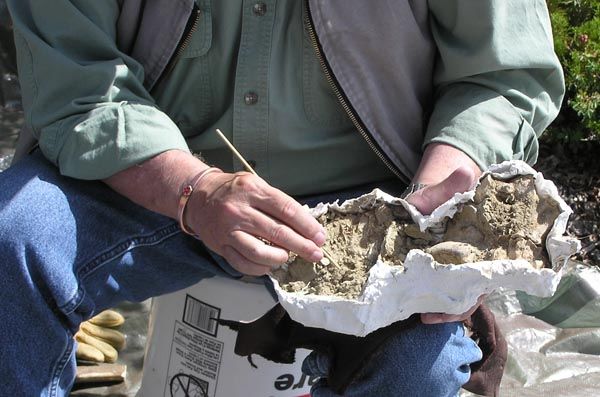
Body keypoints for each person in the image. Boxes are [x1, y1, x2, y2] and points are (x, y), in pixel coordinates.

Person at [0, 1, 563, 396]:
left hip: (376, 203)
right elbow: (76, 83)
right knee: (16, 240)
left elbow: (504, 76)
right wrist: (193, 191)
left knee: (422, 369)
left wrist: (441, 201)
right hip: (153, 178)